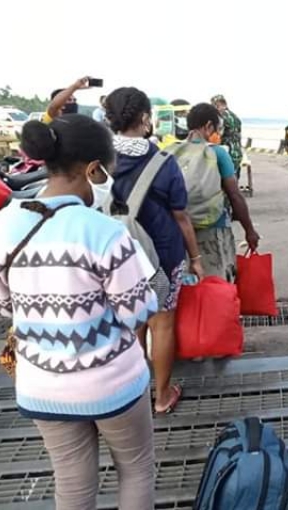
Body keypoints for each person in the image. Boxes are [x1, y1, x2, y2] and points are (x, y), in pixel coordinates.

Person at [0, 115, 157, 510]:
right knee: (136, 470)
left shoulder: (0, 226)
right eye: (106, 171)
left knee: (73, 487)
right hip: (113, 382)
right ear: (93, 169)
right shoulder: (104, 231)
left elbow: (5, 305)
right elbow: (138, 312)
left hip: (42, 383)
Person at [106, 87, 204, 415]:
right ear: (146, 119)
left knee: (133, 323)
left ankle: (133, 395)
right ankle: (162, 396)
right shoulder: (163, 162)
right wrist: (196, 259)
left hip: (116, 257)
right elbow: (181, 216)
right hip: (160, 256)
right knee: (162, 325)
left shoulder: (99, 161)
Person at [176, 103, 260, 279]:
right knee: (218, 283)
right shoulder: (218, 153)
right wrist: (249, 230)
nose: (218, 133)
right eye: (216, 128)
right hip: (214, 228)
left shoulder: (173, 152)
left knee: (190, 283)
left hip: (181, 230)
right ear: (208, 126)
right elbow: (235, 196)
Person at [212, 94, 243, 177]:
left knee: (225, 181)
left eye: (214, 105)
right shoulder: (235, 117)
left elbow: (218, 135)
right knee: (234, 178)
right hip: (238, 153)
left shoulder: (221, 117)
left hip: (227, 153)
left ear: (218, 104)